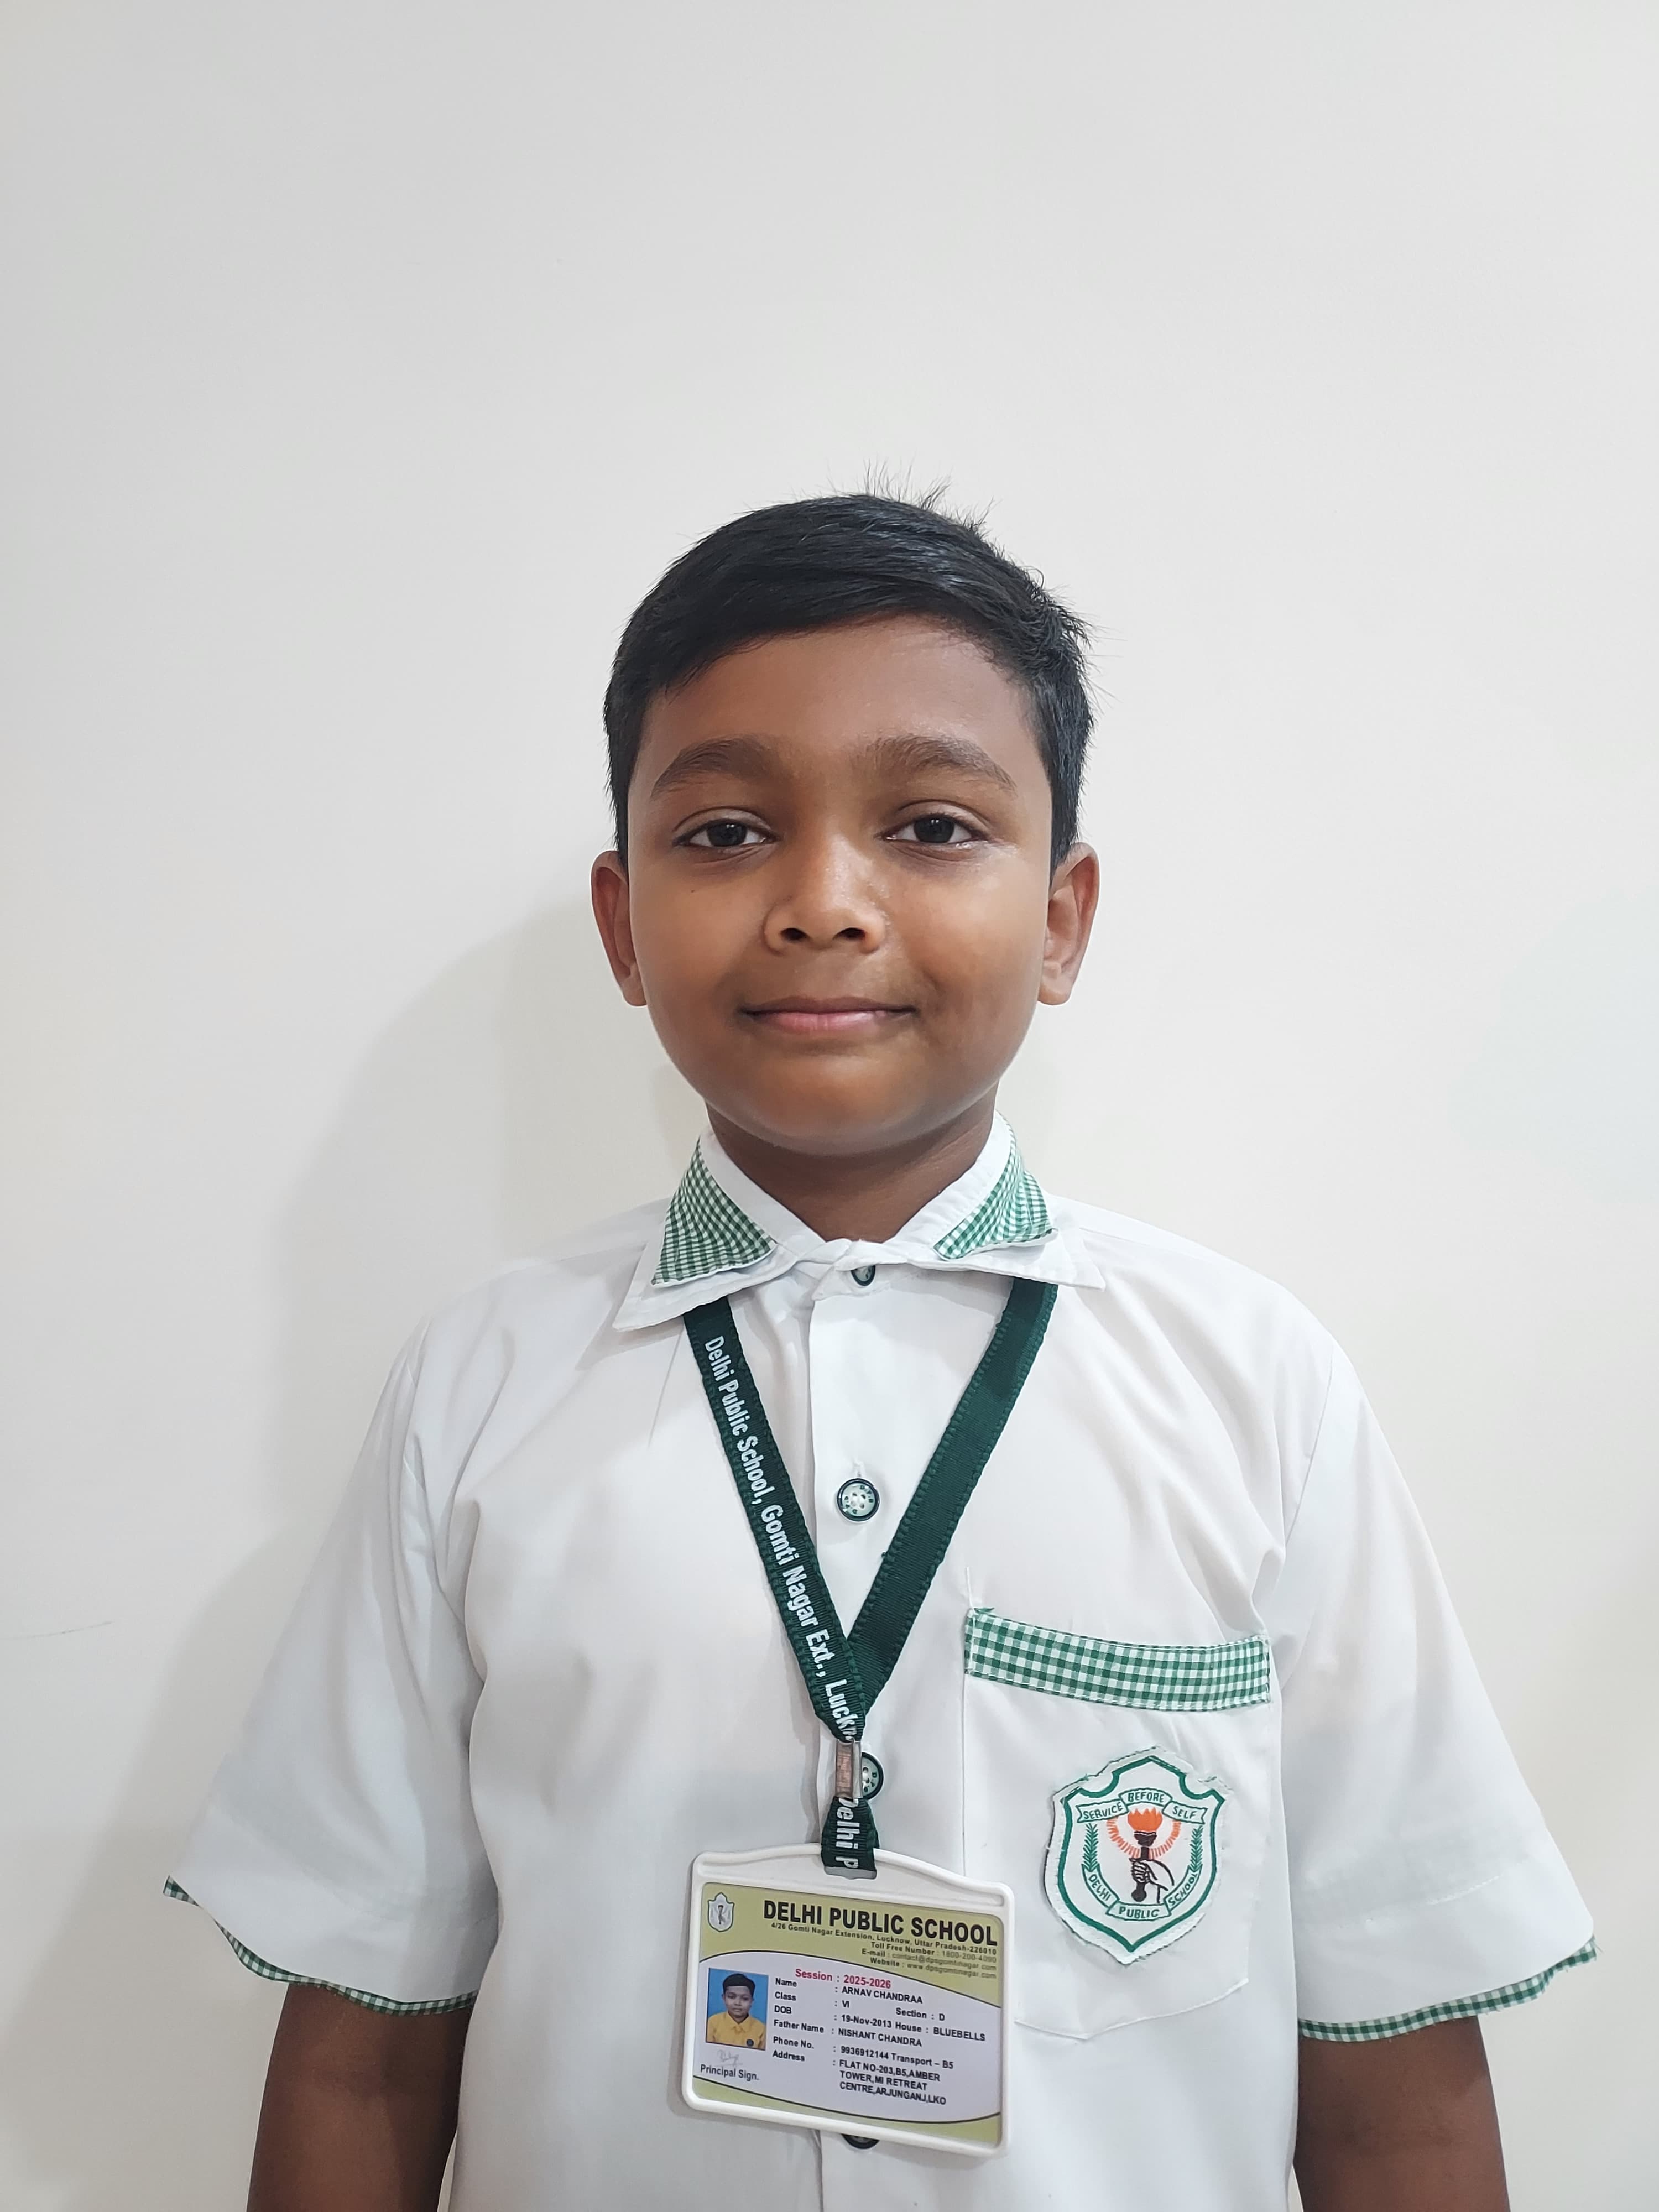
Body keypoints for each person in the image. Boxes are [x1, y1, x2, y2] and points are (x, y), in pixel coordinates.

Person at [168, 494, 1593, 2211]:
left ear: (1060, 917)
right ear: (621, 924)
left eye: (929, 825)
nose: (823, 902)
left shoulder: (1256, 1391)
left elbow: (1391, 2091)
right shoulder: (476, 1392)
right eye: (725, 832)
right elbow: (363, 2058)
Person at [707, 1974, 766, 2050]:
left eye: (745, 1999)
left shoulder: (761, 2029)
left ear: (752, 2001)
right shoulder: (713, 2023)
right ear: (724, 1998)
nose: (738, 2003)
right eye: (732, 1997)